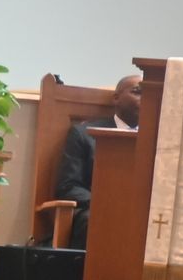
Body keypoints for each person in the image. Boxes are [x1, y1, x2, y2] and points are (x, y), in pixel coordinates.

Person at [53, 73, 143, 248]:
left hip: (142, 211)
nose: (145, 99)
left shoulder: (159, 138)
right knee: (95, 220)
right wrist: (107, 203)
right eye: (137, 92)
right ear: (116, 98)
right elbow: (68, 186)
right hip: (96, 208)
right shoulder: (84, 133)